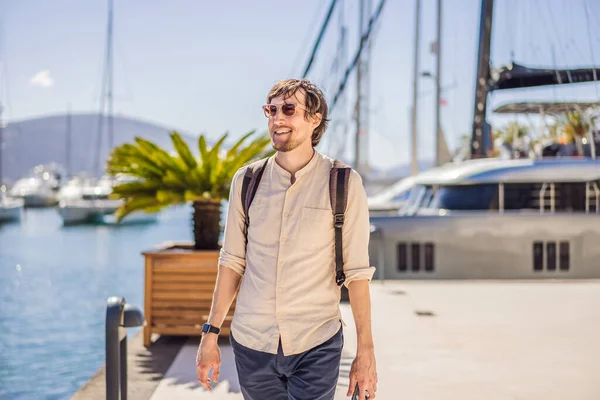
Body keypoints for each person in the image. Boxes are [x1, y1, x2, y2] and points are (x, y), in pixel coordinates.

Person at [196, 78, 378, 400]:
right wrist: (210, 334)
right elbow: (232, 262)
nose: (277, 119)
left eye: (289, 110)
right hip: (252, 342)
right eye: (271, 110)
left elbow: (357, 273)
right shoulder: (247, 181)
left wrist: (365, 352)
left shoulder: (344, 183)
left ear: (315, 118)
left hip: (315, 341)